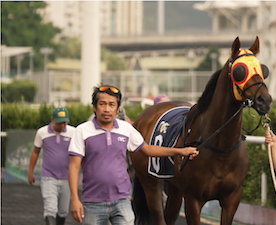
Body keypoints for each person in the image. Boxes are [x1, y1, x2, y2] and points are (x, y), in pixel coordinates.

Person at [68, 85, 198, 225]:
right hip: (92, 203)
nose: (106, 109)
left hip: (122, 201)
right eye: (102, 104)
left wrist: (180, 151)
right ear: (94, 107)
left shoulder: (126, 129)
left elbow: (147, 150)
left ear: (117, 109)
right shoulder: (81, 131)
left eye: (111, 104)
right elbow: (74, 167)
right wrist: (75, 199)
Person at [28, 107, 76, 225]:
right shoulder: (42, 132)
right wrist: (30, 172)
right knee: (50, 209)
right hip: (48, 177)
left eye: (65, 122)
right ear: (52, 119)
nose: (63, 125)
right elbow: (35, 152)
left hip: (67, 178)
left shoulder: (73, 132)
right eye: (60, 122)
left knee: (63, 211)